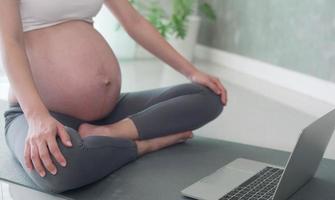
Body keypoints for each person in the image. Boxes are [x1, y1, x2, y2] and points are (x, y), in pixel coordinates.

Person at [0, 0, 227, 193]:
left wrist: (192, 72)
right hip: (39, 113)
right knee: (59, 168)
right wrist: (36, 117)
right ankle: (144, 145)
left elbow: (134, 22)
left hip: (111, 112)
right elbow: (10, 42)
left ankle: (113, 133)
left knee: (209, 96)